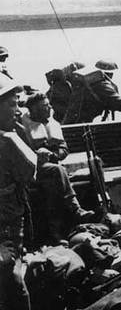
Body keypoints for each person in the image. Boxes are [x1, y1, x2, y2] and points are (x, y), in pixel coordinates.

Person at [18, 93, 96, 245]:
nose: (49, 108)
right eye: (44, 107)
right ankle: (74, 209)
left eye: (49, 105)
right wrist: (36, 154)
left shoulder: (53, 123)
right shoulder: (23, 126)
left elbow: (64, 149)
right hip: (31, 169)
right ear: (33, 110)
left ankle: (57, 232)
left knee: (54, 184)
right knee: (57, 172)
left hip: (51, 168)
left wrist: (54, 155)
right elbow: (19, 152)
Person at [0, 73, 35, 310]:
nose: (18, 110)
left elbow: (30, 173)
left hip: (13, 235)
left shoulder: (10, 139)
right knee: (15, 289)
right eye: (12, 104)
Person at [62, 59, 121, 124]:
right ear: (109, 74)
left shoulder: (88, 83)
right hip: (80, 126)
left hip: (73, 124)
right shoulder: (99, 83)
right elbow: (118, 102)